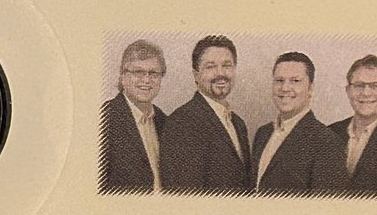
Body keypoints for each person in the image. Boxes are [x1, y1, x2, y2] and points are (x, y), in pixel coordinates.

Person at [160, 36, 251, 194]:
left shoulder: (238, 123)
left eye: (227, 65)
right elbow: (184, 197)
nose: (220, 73)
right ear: (196, 75)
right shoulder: (182, 123)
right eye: (210, 67)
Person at [253, 52, 348, 196]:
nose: (285, 88)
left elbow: (326, 207)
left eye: (295, 81)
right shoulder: (263, 134)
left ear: (310, 88)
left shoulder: (327, 142)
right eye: (279, 80)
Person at [329, 55, 377, 198]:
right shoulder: (330, 133)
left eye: (375, 86)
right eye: (359, 85)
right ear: (348, 91)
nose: (365, 93)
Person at [100, 40, 167, 193]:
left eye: (153, 73)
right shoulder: (104, 119)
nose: (146, 80)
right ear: (123, 77)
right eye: (138, 72)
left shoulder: (165, 122)